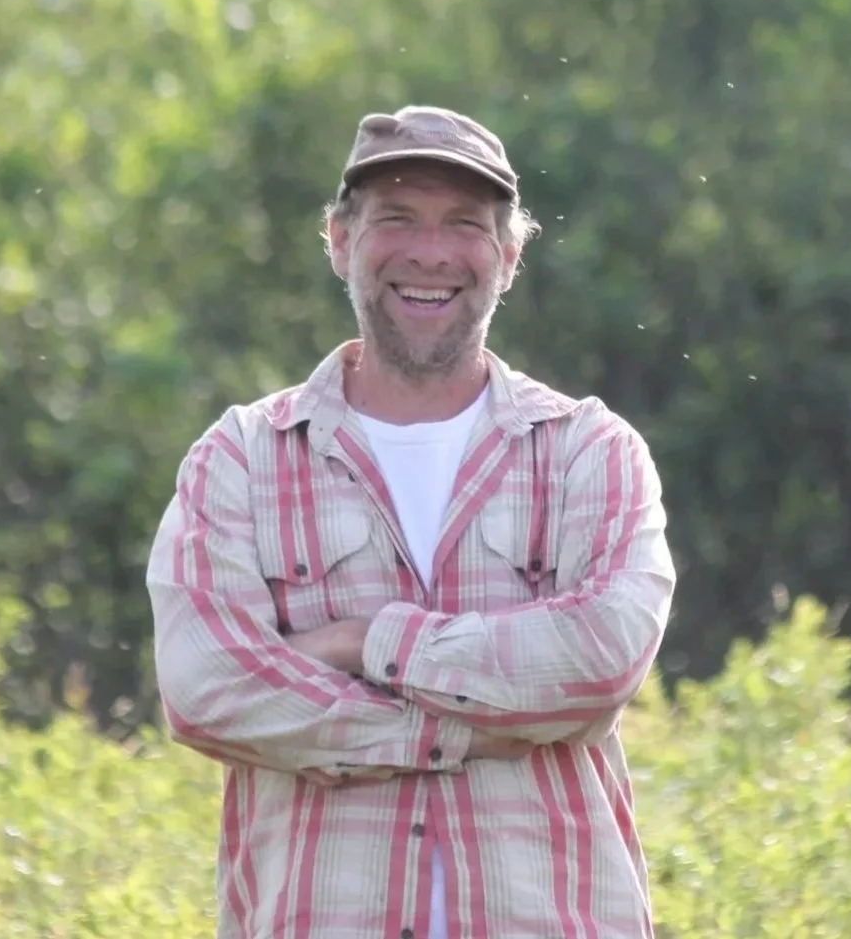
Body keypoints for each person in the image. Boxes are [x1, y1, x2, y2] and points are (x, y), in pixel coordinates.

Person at [146, 105, 677, 939]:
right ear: (337, 240)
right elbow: (207, 689)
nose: (430, 252)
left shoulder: (588, 451)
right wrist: (459, 725)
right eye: (397, 218)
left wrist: (366, 641)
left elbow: (601, 658)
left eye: (463, 224)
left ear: (507, 255)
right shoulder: (242, 458)